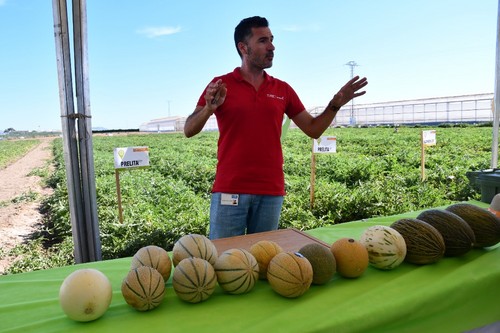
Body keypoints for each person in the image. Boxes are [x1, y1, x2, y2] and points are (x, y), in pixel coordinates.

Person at [184, 16, 367, 240]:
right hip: (230, 188)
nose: (272, 47)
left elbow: (313, 129)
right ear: (244, 48)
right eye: (263, 41)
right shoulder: (221, 84)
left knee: (263, 260)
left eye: (271, 40)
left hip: (270, 191)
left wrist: (335, 105)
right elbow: (189, 129)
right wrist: (208, 109)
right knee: (224, 260)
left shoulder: (282, 89)